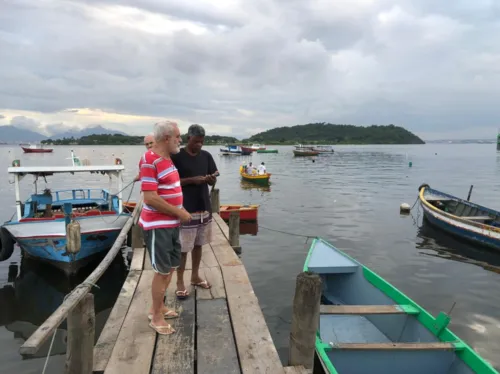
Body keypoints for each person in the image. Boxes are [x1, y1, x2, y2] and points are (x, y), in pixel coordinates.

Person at [139, 120, 192, 335]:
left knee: (171, 267)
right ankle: (156, 317)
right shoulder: (149, 160)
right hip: (158, 226)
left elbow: (169, 190)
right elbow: (150, 198)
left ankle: (157, 307)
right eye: (178, 136)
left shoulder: (167, 159)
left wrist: (179, 210)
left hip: (171, 224)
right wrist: (180, 212)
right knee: (161, 272)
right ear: (167, 138)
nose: (181, 140)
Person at [171, 124, 218, 298]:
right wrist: (192, 180)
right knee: (183, 248)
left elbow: (212, 181)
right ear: (188, 138)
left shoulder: (206, 156)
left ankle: (195, 276)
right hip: (184, 208)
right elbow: (172, 182)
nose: (199, 145)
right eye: (196, 141)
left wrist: (210, 179)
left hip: (203, 207)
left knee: (199, 245)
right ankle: (180, 281)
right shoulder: (176, 156)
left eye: (202, 142)